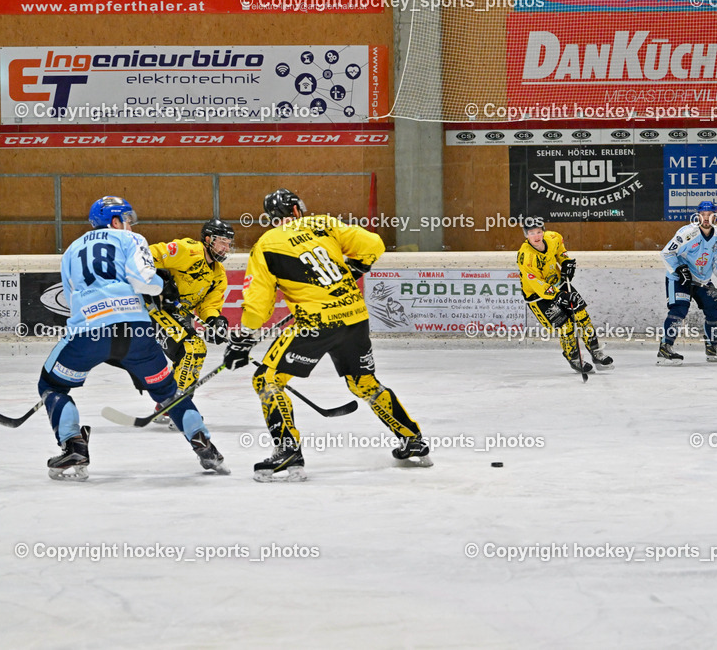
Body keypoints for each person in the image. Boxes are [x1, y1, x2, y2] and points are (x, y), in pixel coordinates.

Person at [223, 189, 430, 481]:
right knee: (364, 383)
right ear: (296, 210)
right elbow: (373, 244)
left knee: (266, 380)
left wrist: (244, 338)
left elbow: (258, 304)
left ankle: (287, 450)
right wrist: (358, 266)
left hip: (315, 323)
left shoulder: (266, 244)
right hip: (355, 317)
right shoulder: (323, 223)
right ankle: (412, 439)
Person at [39, 196, 227, 480]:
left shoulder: (71, 250)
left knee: (51, 385)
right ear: (114, 221)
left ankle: (73, 445)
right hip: (136, 331)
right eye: (126, 219)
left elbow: (69, 296)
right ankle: (206, 447)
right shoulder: (133, 239)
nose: (130, 224)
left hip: (89, 330)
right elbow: (143, 281)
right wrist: (163, 285)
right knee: (169, 393)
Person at [149, 219, 235, 428]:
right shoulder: (188, 251)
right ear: (208, 239)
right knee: (193, 347)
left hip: (177, 316)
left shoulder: (218, 274)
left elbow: (208, 305)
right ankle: (179, 409)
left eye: (228, 243)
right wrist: (159, 283)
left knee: (192, 353)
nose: (226, 248)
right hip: (152, 310)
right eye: (222, 242)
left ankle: (168, 405)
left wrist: (215, 321)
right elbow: (144, 256)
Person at [517, 218, 613, 375]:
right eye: (531, 233)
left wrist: (566, 262)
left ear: (543, 231)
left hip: (559, 284)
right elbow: (537, 284)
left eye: (539, 231)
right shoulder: (526, 257)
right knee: (566, 326)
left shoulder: (553, 237)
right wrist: (558, 295)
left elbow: (560, 251)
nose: (536, 236)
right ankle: (574, 358)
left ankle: (596, 351)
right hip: (538, 296)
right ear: (526, 235)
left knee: (582, 316)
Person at [657, 201, 717, 365]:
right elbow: (667, 253)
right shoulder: (687, 233)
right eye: (703, 215)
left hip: (702, 281)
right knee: (679, 309)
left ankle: (712, 348)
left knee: (714, 310)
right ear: (698, 216)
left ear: (715, 216)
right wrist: (680, 268)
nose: (706, 218)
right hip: (680, 279)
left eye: (710, 215)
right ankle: (665, 349)